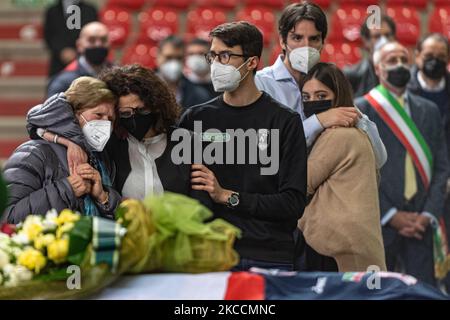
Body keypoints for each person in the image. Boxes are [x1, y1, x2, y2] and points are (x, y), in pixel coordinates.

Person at [179, 22, 307, 271]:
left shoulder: (284, 121)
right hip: (212, 253)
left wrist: (227, 196)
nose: (216, 64)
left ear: (251, 63)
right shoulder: (195, 119)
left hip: (269, 254)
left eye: (225, 55)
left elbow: (292, 203)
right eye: (212, 55)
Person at [28, 64, 211, 207]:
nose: (134, 117)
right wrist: (69, 142)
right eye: (124, 113)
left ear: (156, 105)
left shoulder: (186, 141)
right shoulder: (109, 143)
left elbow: (201, 204)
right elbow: (37, 118)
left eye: (141, 110)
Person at [355, 41, 449, 286]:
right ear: (378, 68)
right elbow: (358, 172)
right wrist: (390, 214)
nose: (399, 66)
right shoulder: (361, 110)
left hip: (422, 223)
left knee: (424, 291)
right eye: (391, 61)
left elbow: (441, 168)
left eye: (403, 60)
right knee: (377, 293)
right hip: (379, 223)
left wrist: (428, 214)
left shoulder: (428, 110)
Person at [298, 62, 386, 272]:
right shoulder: (355, 132)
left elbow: (301, 184)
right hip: (356, 243)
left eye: (321, 96)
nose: (313, 103)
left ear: (338, 96)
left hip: (336, 246)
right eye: (306, 98)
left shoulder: (337, 135)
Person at [2, 77, 121, 224]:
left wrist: (104, 197)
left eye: (110, 119)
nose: (105, 123)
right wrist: (68, 189)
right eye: (98, 115)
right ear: (75, 113)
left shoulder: (103, 160)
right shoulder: (33, 153)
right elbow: (7, 217)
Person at [255, 2, 364, 149]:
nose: (306, 46)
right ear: (282, 41)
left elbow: (379, 153)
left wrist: (358, 122)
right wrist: (319, 121)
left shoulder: (330, 81)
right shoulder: (261, 83)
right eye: (297, 38)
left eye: (314, 39)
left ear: (323, 43)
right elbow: (264, 146)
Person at [408, 32, 450, 290]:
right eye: (429, 56)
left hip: (447, 186)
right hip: (413, 189)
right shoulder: (402, 89)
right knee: (418, 265)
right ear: (417, 56)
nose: (434, 62)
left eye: (441, 58)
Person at [47, 22, 112, 97]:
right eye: (91, 40)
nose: (98, 44)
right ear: (79, 45)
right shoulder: (63, 81)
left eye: (103, 40)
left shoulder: (117, 76)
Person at [344, 15, 396, 98]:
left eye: (387, 35)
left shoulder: (404, 73)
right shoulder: (352, 76)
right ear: (366, 41)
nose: (383, 41)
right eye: (377, 36)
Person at [44, 0, 98, 77]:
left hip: (85, 63)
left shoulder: (90, 10)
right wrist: (62, 51)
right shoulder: (52, 11)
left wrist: (77, 51)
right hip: (58, 63)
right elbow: (49, 36)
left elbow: (93, 35)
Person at [156, 35, 211, 109]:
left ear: (185, 59)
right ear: (158, 57)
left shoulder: (198, 95)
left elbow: (199, 120)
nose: (174, 63)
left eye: (179, 58)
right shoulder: (143, 89)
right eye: (168, 57)